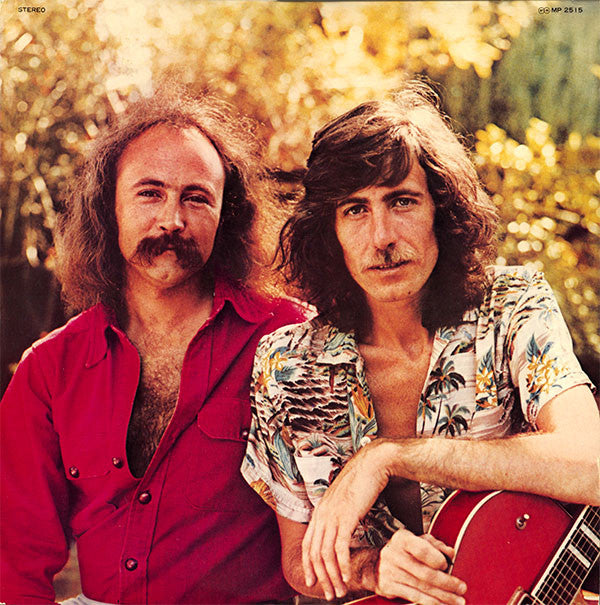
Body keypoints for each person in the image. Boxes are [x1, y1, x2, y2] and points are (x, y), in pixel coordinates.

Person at [241, 81, 600, 604]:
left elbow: (592, 463)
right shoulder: (286, 364)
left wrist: (389, 457)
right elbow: (299, 561)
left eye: (402, 201)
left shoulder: (512, 308)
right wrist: (372, 569)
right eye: (355, 210)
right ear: (329, 231)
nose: (382, 237)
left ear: (441, 210)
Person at [0, 85, 305, 604]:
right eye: (150, 193)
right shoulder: (49, 369)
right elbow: (16, 563)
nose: (172, 220)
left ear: (226, 215)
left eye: (196, 197)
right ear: (109, 207)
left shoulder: (288, 340)